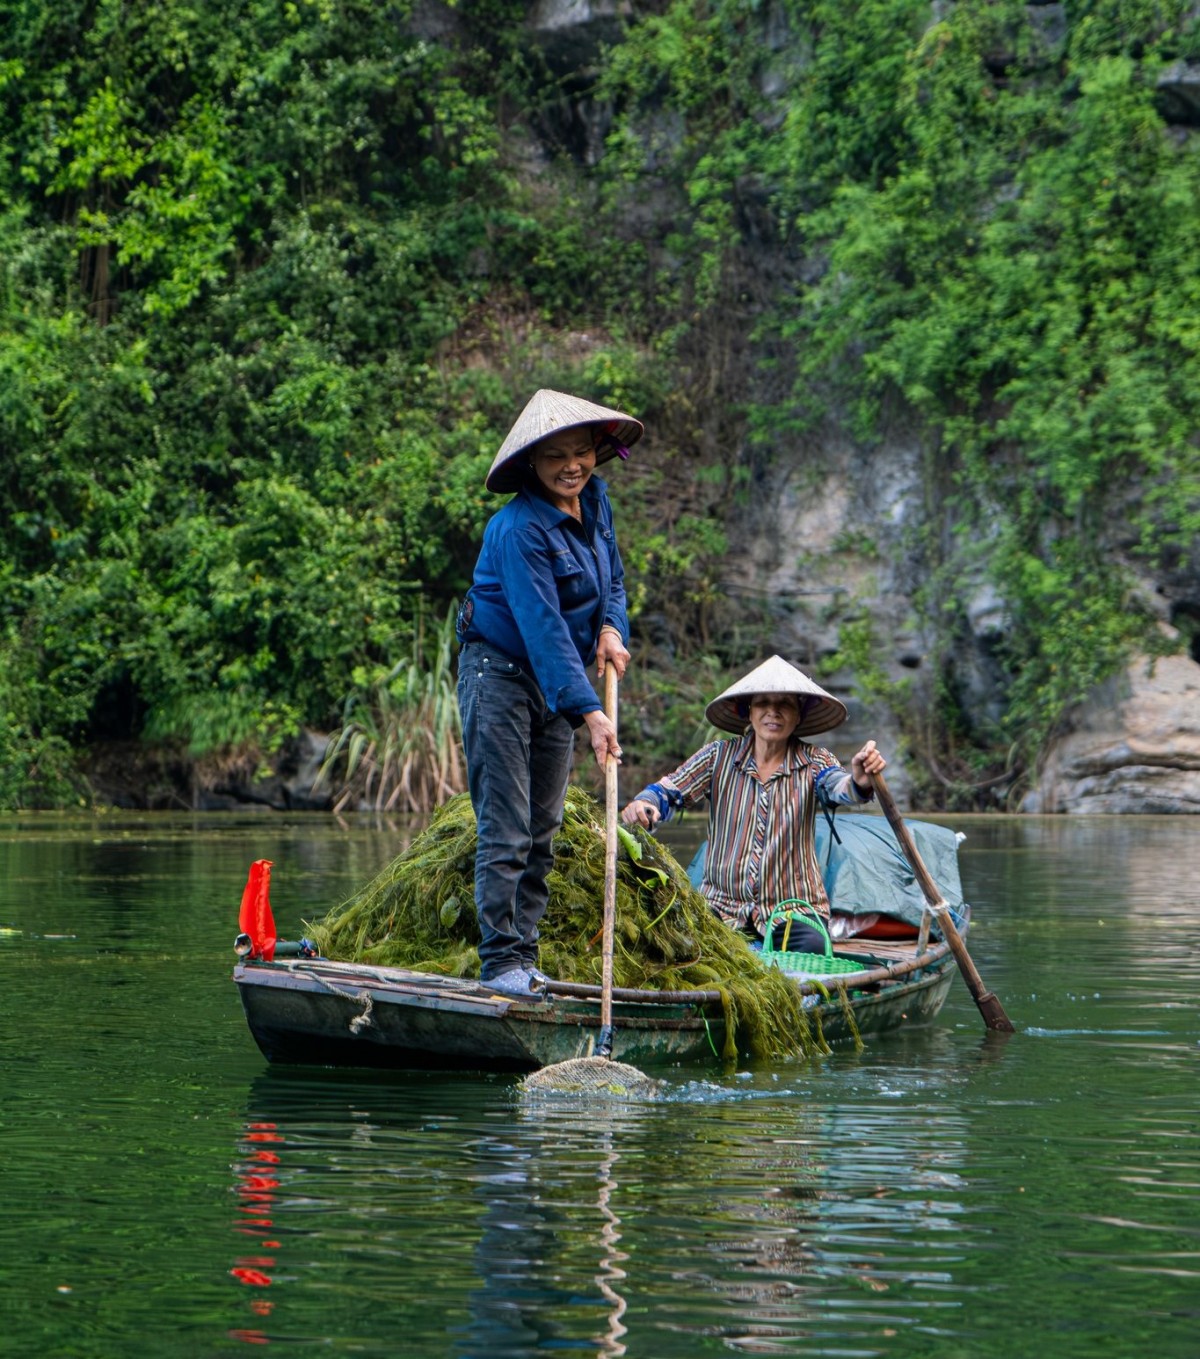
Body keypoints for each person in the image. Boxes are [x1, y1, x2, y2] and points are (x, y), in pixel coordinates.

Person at [456, 389, 644, 997]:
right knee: (507, 824)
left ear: (596, 452)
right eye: (557, 455)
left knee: (545, 824)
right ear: (531, 465)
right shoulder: (514, 530)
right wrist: (591, 713)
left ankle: (526, 956)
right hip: (501, 675)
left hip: (556, 683)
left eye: (582, 452)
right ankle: (500, 962)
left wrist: (613, 627)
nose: (573, 466)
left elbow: (612, 577)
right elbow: (542, 629)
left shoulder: (595, 500)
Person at [621, 655, 887, 951]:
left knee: (811, 951)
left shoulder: (815, 760)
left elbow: (839, 786)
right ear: (749, 712)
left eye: (784, 704)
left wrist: (861, 780)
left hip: (793, 912)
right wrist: (644, 804)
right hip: (721, 910)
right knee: (679, 950)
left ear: (798, 715)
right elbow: (667, 791)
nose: (773, 712)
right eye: (763, 703)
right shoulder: (717, 757)